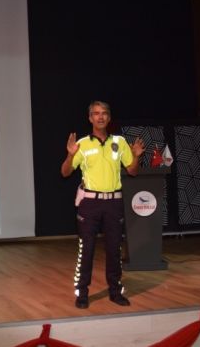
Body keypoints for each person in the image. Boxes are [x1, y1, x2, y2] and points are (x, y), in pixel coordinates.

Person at [60, 101, 144, 309]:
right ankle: (82, 293)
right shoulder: (82, 144)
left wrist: (136, 157)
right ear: (90, 118)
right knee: (86, 249)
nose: (100, 117)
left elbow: (132, 171)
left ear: (109, 117)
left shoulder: (120, 142)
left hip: (114, 202)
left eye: (104, 113)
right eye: (96, 114)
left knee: (114, 249)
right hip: (90, 203)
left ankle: (115, 291)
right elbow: (65, 172)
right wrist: (70, 154)